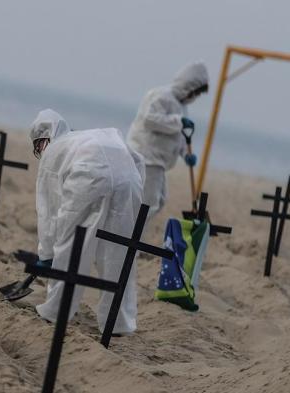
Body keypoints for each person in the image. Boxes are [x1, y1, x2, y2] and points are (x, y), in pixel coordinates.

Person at [30, 109, 144, 334]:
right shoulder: (90, 136)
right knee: (119, 250)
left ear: (43, 140)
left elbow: (49, 212)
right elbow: (138, 160)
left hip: (88, 176)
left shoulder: (54, 152)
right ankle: (119, 324)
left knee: (71, 243)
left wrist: (46, 255)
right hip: (129, 180)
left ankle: (56, 311)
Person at [126, 62, 210, 217]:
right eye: (195, 93)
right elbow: (149, 120)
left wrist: (185, 154)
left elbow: (179, 137)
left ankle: (134, 234)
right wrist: (178, 122)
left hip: (159, 163)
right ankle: (130, 236)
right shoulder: (160, 96)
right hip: (146, 157)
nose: (195, 97)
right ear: (188, 86)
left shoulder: (181, 107)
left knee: (159, 201)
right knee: (147, 203)